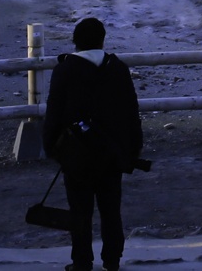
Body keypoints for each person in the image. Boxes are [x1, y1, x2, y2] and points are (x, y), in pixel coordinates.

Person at [43, 17, 143, 271]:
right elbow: (131, 111)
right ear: (102, 39)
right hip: (112, 152)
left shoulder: (65, 69)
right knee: (111, 209)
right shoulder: (117, 68)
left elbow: (54, 112)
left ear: (75, 41)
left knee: (80, 209)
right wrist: (132, 149)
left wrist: (52, 148)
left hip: (77, 153)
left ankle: (82, 262)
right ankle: (112, 259)